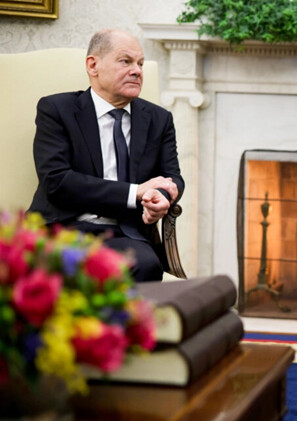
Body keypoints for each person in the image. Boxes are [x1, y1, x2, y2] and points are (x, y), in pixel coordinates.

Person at [29, 28, 184, 282]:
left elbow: (172, 177)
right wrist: (136, 192)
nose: (137, 70)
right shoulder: (57, 110)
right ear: (93, 65)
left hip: (124, 233)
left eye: (141, 64)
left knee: (146, 265)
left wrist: (162, 196)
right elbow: (57, 181)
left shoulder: (158, 119)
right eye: (126, 61)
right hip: (63, 229)